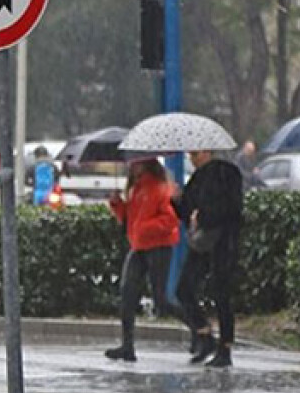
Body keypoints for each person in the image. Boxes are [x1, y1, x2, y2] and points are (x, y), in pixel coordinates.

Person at [104, 158, 184, 361]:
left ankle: (198, 328)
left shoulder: (158, 188)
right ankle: (127, 345)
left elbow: (170, 220)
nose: (132, 167)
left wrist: (146, 228)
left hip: (158, 247)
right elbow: (129, 219)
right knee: (127, 295)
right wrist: (117, 204)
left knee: (161, 300)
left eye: (136, 163)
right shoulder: (137, 189)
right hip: (139, 247)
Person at [175, 148, 244, 368]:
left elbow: (231, 209)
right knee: (184, 289)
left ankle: (225, 347)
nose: (192, 160)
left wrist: (203, 215)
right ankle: (204, 334)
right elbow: (186, 210)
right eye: (190, 156)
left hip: (223, 240)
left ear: (207, 152)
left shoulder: (227, 174)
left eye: (195, 155)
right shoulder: (197, 178)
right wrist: (174, 199)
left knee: (221, 292)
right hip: (203, 240)